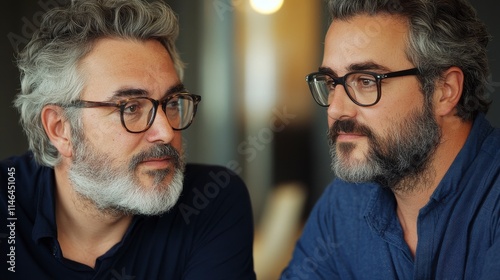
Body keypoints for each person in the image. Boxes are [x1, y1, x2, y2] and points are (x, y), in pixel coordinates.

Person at [0, 0, 255, 279]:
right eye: (130, 108)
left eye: (171, 103)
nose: (166, 132)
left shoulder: (210, 200)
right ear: (61, 128)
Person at [282, 0, 500, 279]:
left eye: (365, 80)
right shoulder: (345, 205)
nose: (336, 109)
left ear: (445, 90)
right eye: (330, 82)